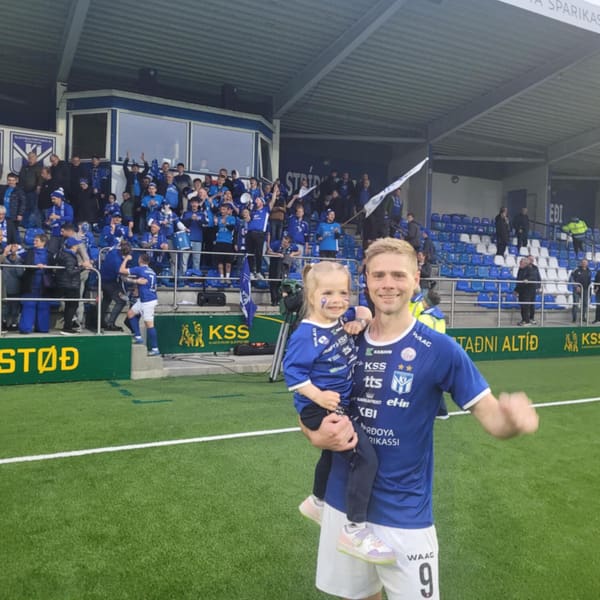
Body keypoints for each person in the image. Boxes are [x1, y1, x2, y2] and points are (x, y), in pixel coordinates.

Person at [301, 238, 539, 600]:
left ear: (416, 280)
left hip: (404, 513)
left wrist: (513, 422)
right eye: (379, 275)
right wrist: (314, 435)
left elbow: (491, 417)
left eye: (398, 275)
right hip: (342, 503)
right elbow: (307, 406)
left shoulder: (441, 349)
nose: (388, 284)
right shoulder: (343, 339)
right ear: (366, 280)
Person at [283, 261, 394, 565]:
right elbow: (292, 373)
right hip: (319, 408)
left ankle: (316, 501)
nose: (337, 300)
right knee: (365, 458)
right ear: (311, 295)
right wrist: (318, 395)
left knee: (331, 455)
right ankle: (354, 530)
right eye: (328, 293)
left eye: (343, 292)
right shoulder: (307, 334)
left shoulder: (338, 317)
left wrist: (362, 319)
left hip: (336, 404)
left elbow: (363, 310)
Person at [119, 252, 160, 356]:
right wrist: (136, 282)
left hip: (148, 301)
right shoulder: (152, 271)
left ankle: (155, 348)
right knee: (130, 313)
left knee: (149, 324)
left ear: (140, 260)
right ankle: (138, 337)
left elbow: (121, 270)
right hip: (143, 299)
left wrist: (126, 259)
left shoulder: (140, 269)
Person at [19, 233, 52, 334]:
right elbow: (26, 264)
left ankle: (43, 328)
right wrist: (36, 266)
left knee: (43, 306)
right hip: (31, 283)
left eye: (36, 241)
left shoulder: (49, 254)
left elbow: (52, 267)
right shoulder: (30, 252)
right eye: (34, 240)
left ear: (43, 242)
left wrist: (46, 267)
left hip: (44, 284)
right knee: (29, 305)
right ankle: (26, 328)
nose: (34, 242)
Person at [100, 241, 131, 331]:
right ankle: (110, 324)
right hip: (109, 282)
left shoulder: (113, 251)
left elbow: (115, 245)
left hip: (103, 280)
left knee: (106, 300)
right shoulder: (117, 261)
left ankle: (99, 321)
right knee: (121, 301)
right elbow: (121, 272)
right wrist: (126, 260)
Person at [569, 258, 592, 324]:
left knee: (585, 304)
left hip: (586, 290)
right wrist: (576, 286)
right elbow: (571, 278)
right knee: (576, 304)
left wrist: (590, 291)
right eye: (583, 262)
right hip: (577, 289)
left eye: (585, 262)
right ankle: (574, 319)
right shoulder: (576, 269)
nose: (584, 263)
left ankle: (583, 317)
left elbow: (589, 281)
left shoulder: (589, 271)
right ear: (581, 263)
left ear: (587, 263)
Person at [515, 257, 535, 326]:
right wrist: (516, 290)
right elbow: (518, 280)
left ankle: (527, 321)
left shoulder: (530, 269)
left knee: (526, 306)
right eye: (520, 262)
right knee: (522, 306)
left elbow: (532, 277)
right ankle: (524, 320)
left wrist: (527, 280)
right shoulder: (520, 269)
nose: (520, 263)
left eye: (521, 262)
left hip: (528, 291)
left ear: (526, 263)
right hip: (521, 290)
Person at [527, 255, 542, 324]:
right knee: (526, 305)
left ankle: (532, 318)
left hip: (533, 288)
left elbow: (538, 277)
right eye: (530, 259)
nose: (532, 260)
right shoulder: (524, 267)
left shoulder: (535, 268)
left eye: (532, 259)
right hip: (526, 289)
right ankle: (526, 319)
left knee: (532, 305)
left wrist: (538, 287)